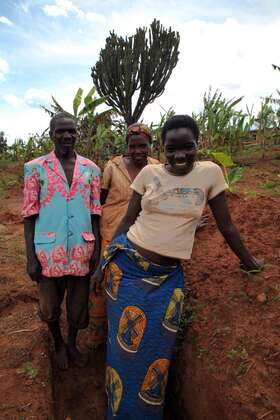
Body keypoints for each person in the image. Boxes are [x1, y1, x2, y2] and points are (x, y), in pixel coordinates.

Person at [93, 115, 263, 419]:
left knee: (156, 359)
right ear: (163, 147)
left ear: (199, 144)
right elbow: (127, 221)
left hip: (168, 279)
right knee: (123, 352)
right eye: (172, 149)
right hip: (127, 271)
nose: (180, 155)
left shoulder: (210, 174)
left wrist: (250, 262)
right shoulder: (148, 173)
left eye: (188, 147)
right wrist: (102, 263)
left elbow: (227, 227)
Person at [23, 112, 101, 370]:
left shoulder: (91, 169)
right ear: (51, 133)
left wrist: (96, 250)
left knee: (78, 305)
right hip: (48, 249)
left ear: (77, 134)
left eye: (72, 131)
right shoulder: (35, 168)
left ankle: (71, 343)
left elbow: (95, 213)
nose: (67, 136)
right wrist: (30, 257)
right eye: (61, 131)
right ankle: (57, 343)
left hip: (81, 247)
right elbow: (30, 214)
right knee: (50, 305)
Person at [89, 123, 159, 346]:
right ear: (127, 146)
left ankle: (129, 332)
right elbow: (101, 199)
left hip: (142, 237)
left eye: (143, 146)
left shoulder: (157, 168)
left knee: (130, 286)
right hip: (112, 231)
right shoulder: (113, 166)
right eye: (133, 146)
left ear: (150, 146)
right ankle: (98, 333)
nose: (138, 151)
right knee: (102, 280)